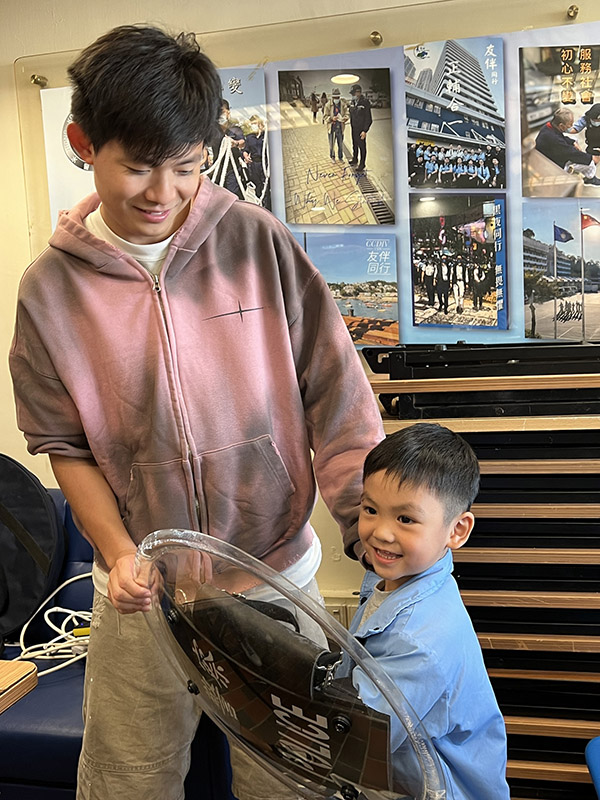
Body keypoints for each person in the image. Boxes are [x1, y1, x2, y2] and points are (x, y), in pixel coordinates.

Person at [9, 24, 384, 800]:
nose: (162, 192)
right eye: (138, 166)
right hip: (143, 595)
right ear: (83, 143)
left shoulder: (255, 241)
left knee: (291, 785)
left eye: (185, 167)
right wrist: (118, 553)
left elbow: (336, 391)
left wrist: (365, 526)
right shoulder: (50, 290)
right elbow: (63, 445)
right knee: (125, 784)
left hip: (275, 582)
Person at [346, 423, 510, 800]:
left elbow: (358, 740)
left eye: (405, 519)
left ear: (457, 530)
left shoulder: (417, 640)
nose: (381, 532)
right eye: (370, 509)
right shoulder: (395, 579)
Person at [535, 107, 600, 186]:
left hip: (547, 155)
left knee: (574, 140)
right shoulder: (555, 140)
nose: (571, 126)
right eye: (570, 124)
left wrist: (573, 142)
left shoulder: (548, 127)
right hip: (552, 165)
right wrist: (590, 158)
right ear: (561, 126)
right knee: (590, 164)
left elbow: (562, 139)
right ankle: (590, 178)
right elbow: (571, 153)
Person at [348, 83, 372, 171]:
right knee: (354, 145)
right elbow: (351, 114)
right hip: (354, 128)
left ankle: (362, 164)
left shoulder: (365, 102)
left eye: (353, 93)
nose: (353, 95)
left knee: (362, 147)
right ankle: (355, 159)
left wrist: (365, 131)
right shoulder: (352, 102)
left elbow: (368, 118)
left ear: (358, 92)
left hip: (361, 129)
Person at [323, 87, 349, 162]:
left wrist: (345, 118)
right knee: (332, 145)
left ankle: (340, 157)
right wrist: (331, 119)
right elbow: (325, 117)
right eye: (335, 97)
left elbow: (347, 113)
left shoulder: (343, 104)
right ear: (332, 97)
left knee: (340, 144)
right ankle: (332, 157)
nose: (336, 99)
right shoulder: (328, 105)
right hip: (332, 128)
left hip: (340, 127)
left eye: (338, 97)